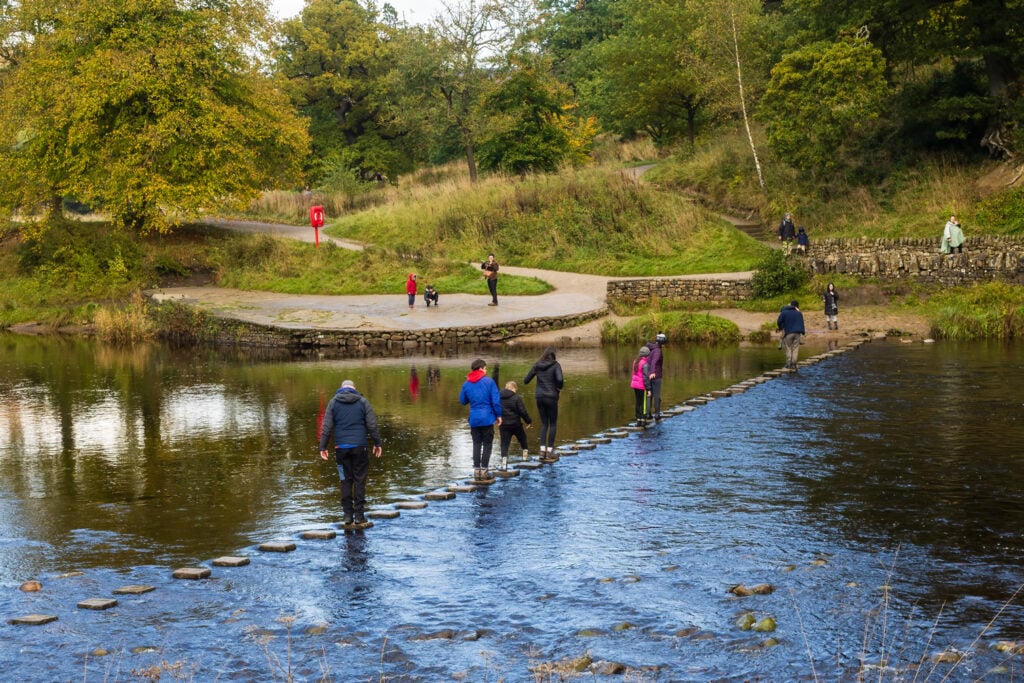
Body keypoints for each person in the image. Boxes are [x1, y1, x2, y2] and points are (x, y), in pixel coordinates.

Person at [318, 379, 383, 526]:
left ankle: (348, 516)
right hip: (360, 447)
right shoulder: (362, 402)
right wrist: (377, 443)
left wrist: (323, 447)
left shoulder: (333, 402)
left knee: (345, 480)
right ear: (354, 388)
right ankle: (359, 516)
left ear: (341, 388)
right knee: (360, 480)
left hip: (341, 449)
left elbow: (326, 427)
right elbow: (372, 425)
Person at [459, 358, 502, 480]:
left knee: (476, 444)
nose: (486, 370)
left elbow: (462, 401)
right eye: (485, 368)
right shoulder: (489, 382)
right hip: (487, 418)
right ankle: (484, 471)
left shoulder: (466, 383)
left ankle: (476, 471)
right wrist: (498, 415)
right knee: (487, 444)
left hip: (474, 419)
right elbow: (496, 401)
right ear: (481, 369)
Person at [523, 346, 564, 459]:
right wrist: (558, 388)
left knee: (544, 423)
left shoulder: (537, 365)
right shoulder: (556, 365)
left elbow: (526, 380)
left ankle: (542, 451)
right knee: (553, 424)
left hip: (539, 397)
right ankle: (550, 451)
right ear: (553, 355)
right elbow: (560, 380)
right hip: (551, 397)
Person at [498, 380, 532, 467]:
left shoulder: (498, 397)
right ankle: (525, 457)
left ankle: (504, 463)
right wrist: (528, 421)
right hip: (516, 424)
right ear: (513, 388)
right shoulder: (516, 397)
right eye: (515, 389)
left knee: (504, 444)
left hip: (503, 425)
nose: (515, 391)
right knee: (523, 439)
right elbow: (522, 411)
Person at [776, 300, 806, 369]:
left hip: (788, 332)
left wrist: (781, 327)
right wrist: (803, 332)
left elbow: (779, 321)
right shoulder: (799, 313)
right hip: (797, 333)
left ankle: (788, 364)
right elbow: (802, 323)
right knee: (795, 348)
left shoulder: (784, 312)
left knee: (788, 348)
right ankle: (794, 364)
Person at [645, 332, 667, 419]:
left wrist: (649, 373)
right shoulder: (658, 350)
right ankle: (657, 415)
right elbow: (654, 361)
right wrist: (653, 372)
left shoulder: (651, 348)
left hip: (648, 374)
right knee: (657, 395)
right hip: (655, 375)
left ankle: (648, 414)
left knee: (649, 394)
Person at [630, 346, 653, 425]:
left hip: (635, 385)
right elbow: (646, 378)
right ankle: (643, 420)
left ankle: (638, 420)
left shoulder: (635, 361)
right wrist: (649, 389)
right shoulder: (645, 364)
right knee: (643, 403)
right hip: (642, 386)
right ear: (647, 355)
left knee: (638, 402)